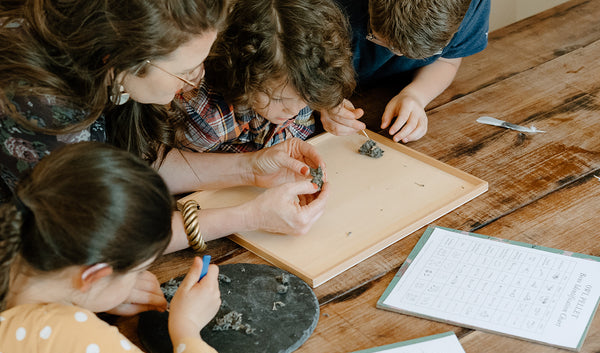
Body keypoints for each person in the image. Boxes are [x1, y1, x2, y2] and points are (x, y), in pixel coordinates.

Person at [0, 0, 329, 257]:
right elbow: (98, 239)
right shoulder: (37, 102)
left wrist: (250, 168)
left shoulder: (107, 60)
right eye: (187, 70)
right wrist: (249, 216)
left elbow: (138, 162)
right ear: (124, 58)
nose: (198, 79)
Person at [0, 142, 224, 353]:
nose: (138, 279)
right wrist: (187, 328)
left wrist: (88, 298)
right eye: (137, 270)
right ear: (93, 276)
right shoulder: (72, 340)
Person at [176, 0, 355, 153]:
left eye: (305, 99)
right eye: (277, 99)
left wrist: (324, 104)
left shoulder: (298, 85)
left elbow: (301, 128)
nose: (293, 110)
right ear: (243, 78)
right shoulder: (206, 118)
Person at [322, 0, 490, 143]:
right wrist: (320, 98)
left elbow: (447, 59)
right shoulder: (324, 6)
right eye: (380, 40)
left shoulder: (474, 6)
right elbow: (296, 61)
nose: (397, 54)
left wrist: (417, 95)